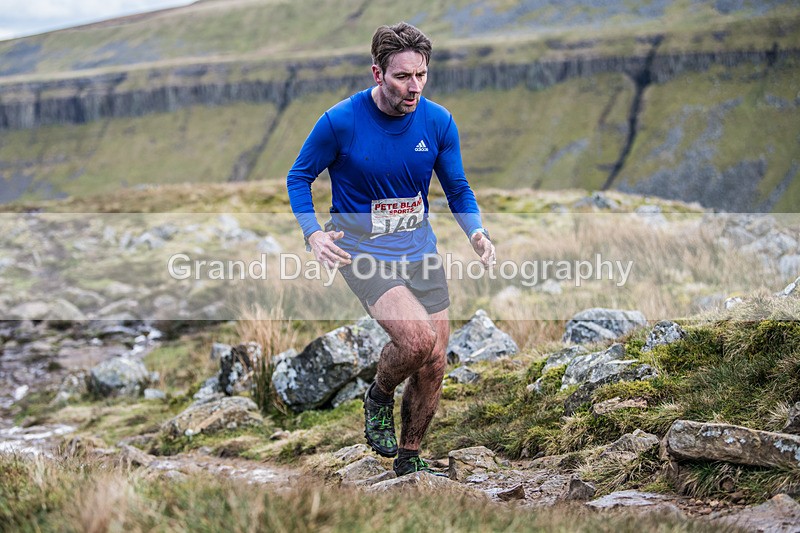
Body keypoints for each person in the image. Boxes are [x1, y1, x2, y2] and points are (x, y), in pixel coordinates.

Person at [286, 22, 494, 477]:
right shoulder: (339, 121)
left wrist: (475, 233)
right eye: (403, 76)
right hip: (361, 250)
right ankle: (378, 395)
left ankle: (409, 458)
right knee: (416, 340)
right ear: (377, 73)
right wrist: (312, 233)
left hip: (418, 248)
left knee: (436, 358)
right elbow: (298, 177)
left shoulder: (438, 121)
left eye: (421, 75)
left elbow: (458, 188)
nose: (413, 86)